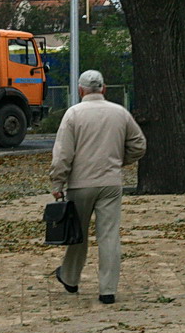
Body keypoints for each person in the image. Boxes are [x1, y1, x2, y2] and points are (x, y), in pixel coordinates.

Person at [50, 70, 146, 304]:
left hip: (80, 183)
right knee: (109, 235)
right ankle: (107, 290)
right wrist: (120, 161)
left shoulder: (73, 114)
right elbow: (139, 144)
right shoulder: (119, 113)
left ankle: (71, 278)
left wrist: (57, 181)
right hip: (111, 182)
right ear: (103, 88)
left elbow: (63, 153)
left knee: (77, 233)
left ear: (81, 90)